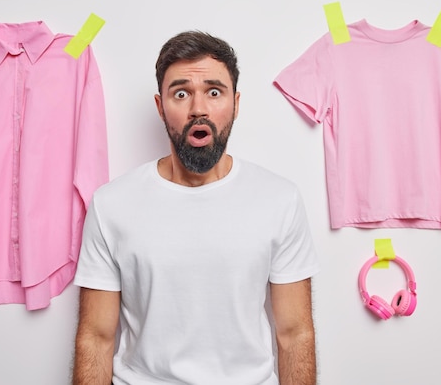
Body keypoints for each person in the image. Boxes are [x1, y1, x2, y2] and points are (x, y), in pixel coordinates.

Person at [72, 31, 319, 385]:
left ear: (235, 103)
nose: (198, 108)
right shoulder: (112, 205)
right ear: (161, 106)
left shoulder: (280, 199)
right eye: (181, 93)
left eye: (214, 92)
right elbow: (96, 338)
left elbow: (295, 334)